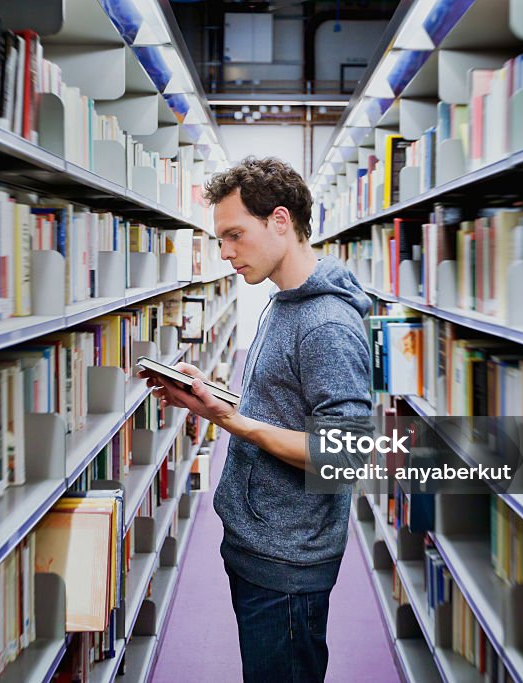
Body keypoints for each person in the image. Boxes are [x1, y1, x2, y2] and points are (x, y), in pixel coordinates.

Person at [139, 156, 372, 682]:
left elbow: (344, 455)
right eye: (220, 239)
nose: (224, 253)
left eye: (235, 235)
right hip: (259, 542)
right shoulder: (284, 302)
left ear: (281, 222)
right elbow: (281, 407)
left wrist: (233, 420)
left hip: (288, 562)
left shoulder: (326, 324)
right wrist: (214, 402)